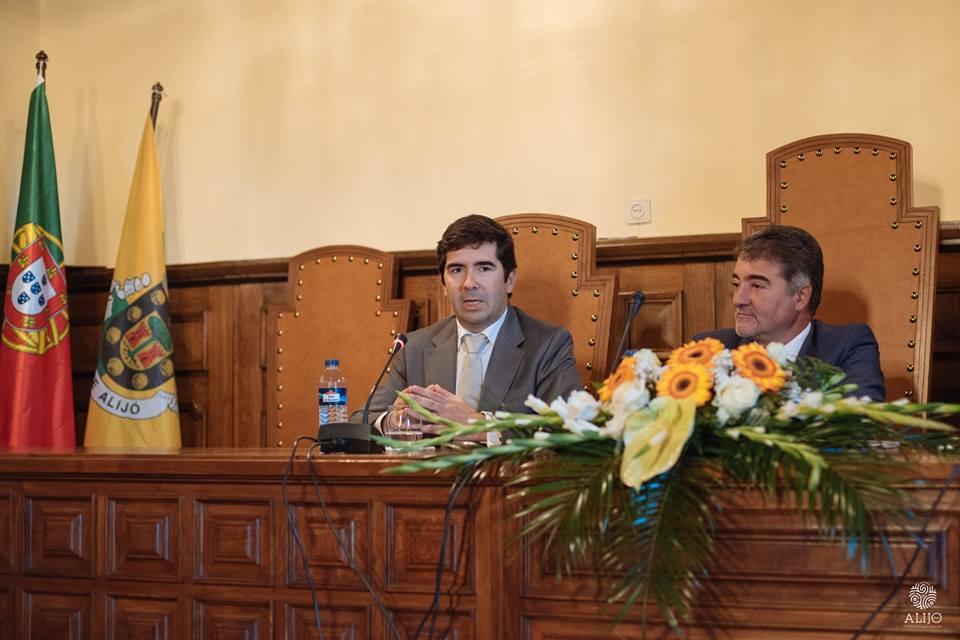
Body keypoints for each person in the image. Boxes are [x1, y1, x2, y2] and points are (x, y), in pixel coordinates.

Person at [358, 214, 582, 436]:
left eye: (484, 268)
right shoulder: (415, 347)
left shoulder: (548, 345)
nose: (469, 283)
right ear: (444, 284)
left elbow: (567, 430)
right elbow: (362, 419)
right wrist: (393, 421)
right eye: (457, 270)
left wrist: (479, 426)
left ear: (509, 280)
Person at [695, 225, 885, 401]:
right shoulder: (709, 349)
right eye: (736, 284)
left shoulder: (847, 345)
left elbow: (862, 417)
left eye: (757, 286)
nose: (738, 300)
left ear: (801, 297)